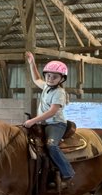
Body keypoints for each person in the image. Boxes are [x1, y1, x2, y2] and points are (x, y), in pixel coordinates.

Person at [25, 52, 74, 184]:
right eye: (48, 75)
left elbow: (52, 112)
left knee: (51, 145)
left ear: (61, 79)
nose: (50, 78)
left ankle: (67, 172)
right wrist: (32, 63)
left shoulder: (59, 92)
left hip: (56, 124)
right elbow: (36, 79)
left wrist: (33, 120)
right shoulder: (46, 86)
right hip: (44, 124)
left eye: (54, 77)